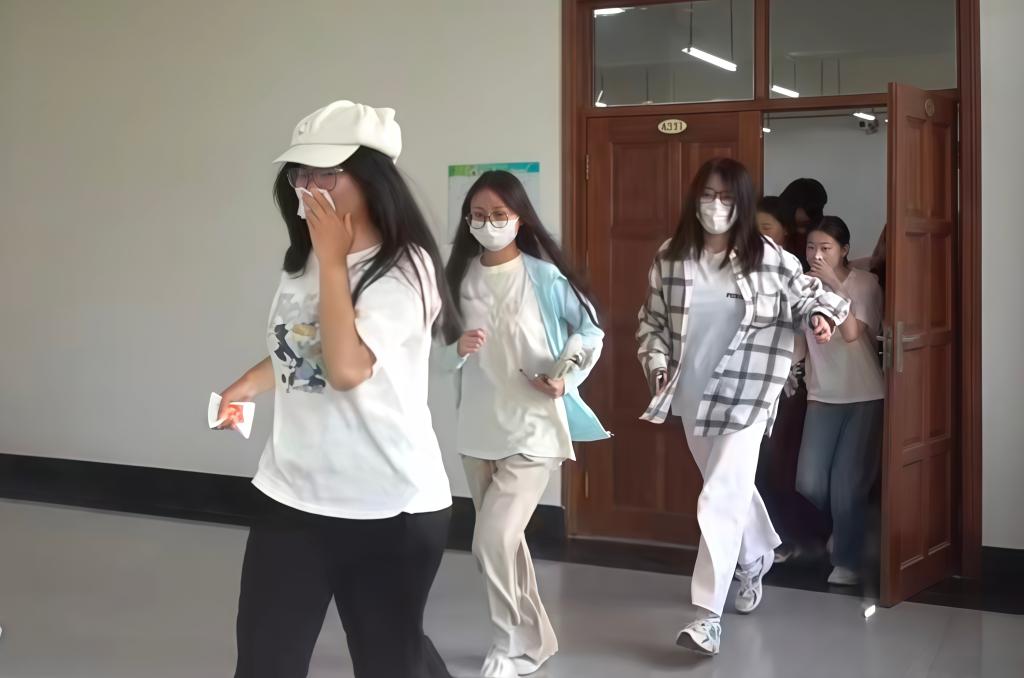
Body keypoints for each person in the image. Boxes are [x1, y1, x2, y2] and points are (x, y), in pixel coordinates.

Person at [217, 100, 459, 678]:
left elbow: (348, 369)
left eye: (325, 174)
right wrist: (250, 383)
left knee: (389, 662)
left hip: (388, 506)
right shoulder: (303, 261)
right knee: (264, 663)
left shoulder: (407, 268)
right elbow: (307, 346)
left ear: (371, 177)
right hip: (290, 495)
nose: (308, 188)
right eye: (300, 174)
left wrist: (333, 264)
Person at [636, 158, 849, 657]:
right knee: (726, 487)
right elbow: (651, 324)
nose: (716, 206)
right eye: (708, 196)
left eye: (728, 198)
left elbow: (811, 296)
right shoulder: (671, 257)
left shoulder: (768, 258)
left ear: (744, 204)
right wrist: (657, 364)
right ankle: (755, 556)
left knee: (719, 496)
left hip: (749, 392)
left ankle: (707, 616)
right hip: (692, 394)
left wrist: (821, 316)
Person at [439, 170, 608, 678]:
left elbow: (590, 332)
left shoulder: (544, 277)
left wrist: (566, 377)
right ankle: (533, 642)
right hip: (478, 430)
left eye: (499, 215)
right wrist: (456, 348)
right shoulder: (458, 279)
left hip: (533, 429)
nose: (488, 224)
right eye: (478, 215)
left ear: (519, 219)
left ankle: (508, 644)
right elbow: (433, 355)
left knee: (490, 540)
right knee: (504, 545)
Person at [796, 216, 885, 587]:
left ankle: (846, 560)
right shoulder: (802, 286)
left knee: (848, 484)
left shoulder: (865, 284)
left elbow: (851, 334)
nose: (816, 255)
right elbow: (798, 344)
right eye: (811, 248)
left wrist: (832, 283)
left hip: (864, 394)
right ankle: (844, 532)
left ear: (844, 249)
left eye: (825, 248)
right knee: (810, 481)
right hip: (821, 394)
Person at [779, 177, 828, 256]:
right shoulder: (777, 229)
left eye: (818, 209)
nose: (815, 214)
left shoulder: (824, 232)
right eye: (809, 209)